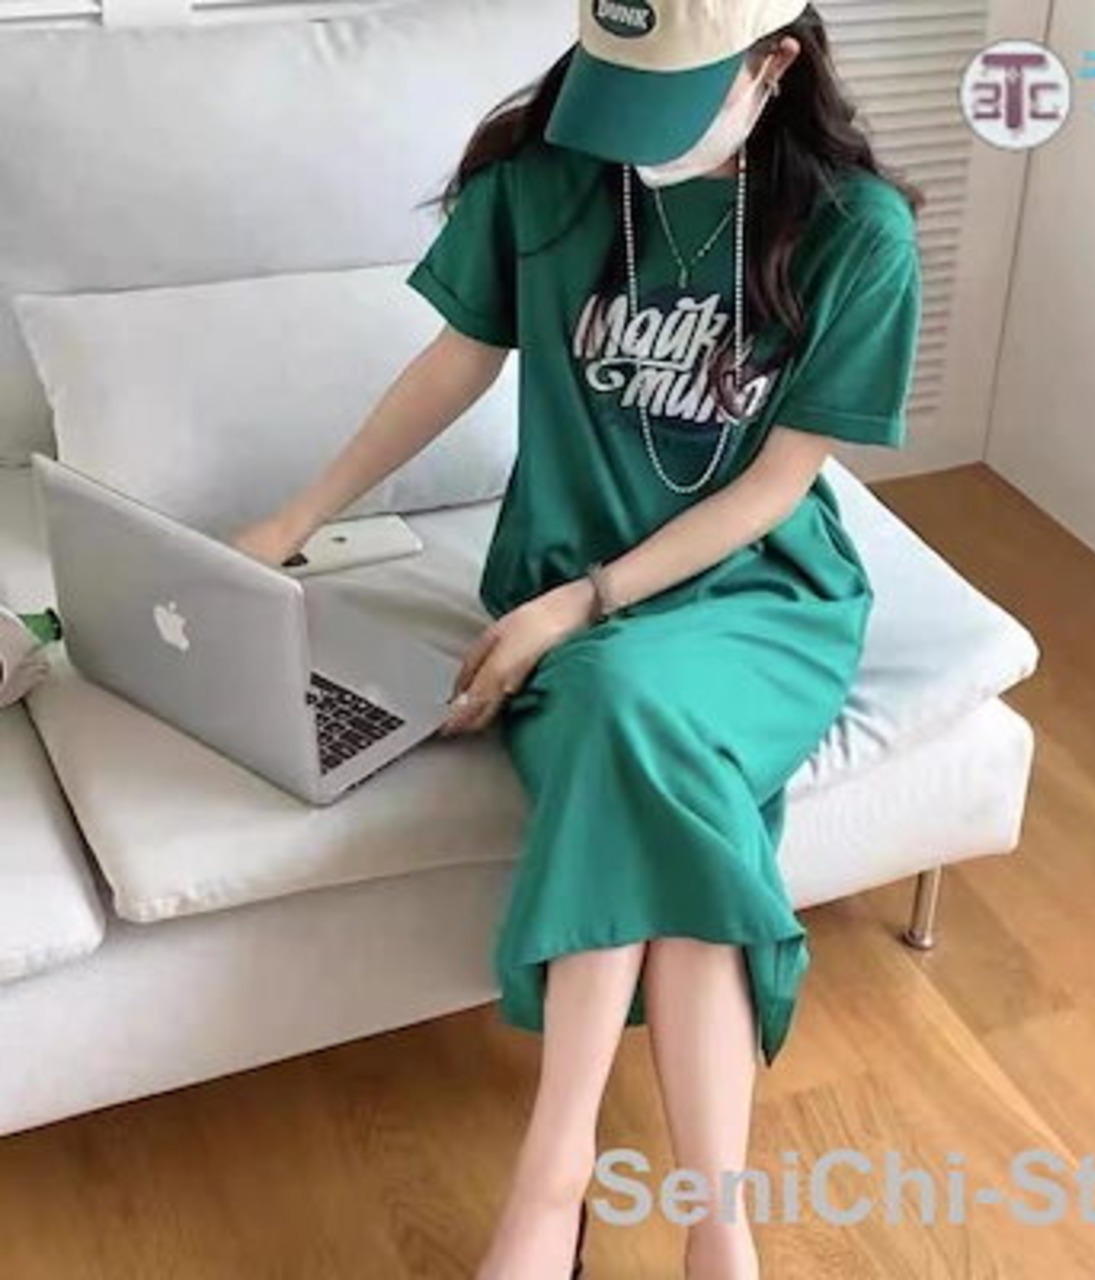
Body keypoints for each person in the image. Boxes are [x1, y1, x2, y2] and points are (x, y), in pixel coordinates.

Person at [233, 2, 924, 1275]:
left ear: (773, 64)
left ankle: (554, 1183)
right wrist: (293, 519)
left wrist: (578, 606)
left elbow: (778, 486)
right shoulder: (547, 175)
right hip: (561, 589)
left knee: (621, 704)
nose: (633, 138)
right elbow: (455, 363)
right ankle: (715, 1224)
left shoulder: (853, 232)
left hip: (757, 596)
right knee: (646, 747)